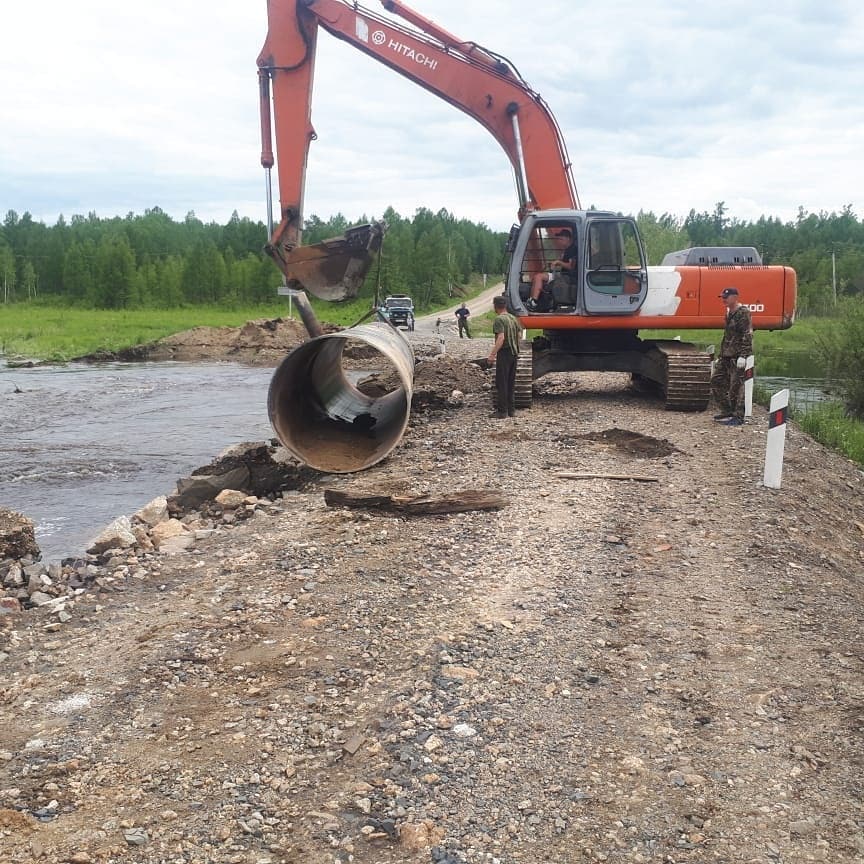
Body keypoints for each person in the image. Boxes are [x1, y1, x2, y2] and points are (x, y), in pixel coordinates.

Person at [710, 286, 753, 426]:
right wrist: (721, 354)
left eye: (726, 297)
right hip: (726, 355)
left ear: (734, 297)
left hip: (737, 356)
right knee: (716, 380)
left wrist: (744, 355)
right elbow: (728, 336)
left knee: (737, 386)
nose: (723, 300)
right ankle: (727, 410)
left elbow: (747, 334)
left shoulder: (743, 313)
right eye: (722, 297)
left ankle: (738, 416)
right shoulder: (729, 312)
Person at [526, 227, 577, 311]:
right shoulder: (567, 250)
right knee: (536, 277)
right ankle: (532, 301)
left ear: (567, 238)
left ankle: (533, 302)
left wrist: (558, 262)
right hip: (563, 275)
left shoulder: (573, 249)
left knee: (539, 277)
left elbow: (571, 266)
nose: (559, 241)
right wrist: (553, 263)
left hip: (567, 277)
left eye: (561, 238)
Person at [488, 295, 521, 418]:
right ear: (505, 305)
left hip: (505, 353)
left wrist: (492, 354)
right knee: (510, 382)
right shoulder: (513, 318)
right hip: (514, 353)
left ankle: (502, 411)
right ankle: (511, 410)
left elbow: (501, 338)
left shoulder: (499, 319)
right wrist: (517, 348)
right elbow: (519, 335)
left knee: (501, 382)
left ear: (495, 306)